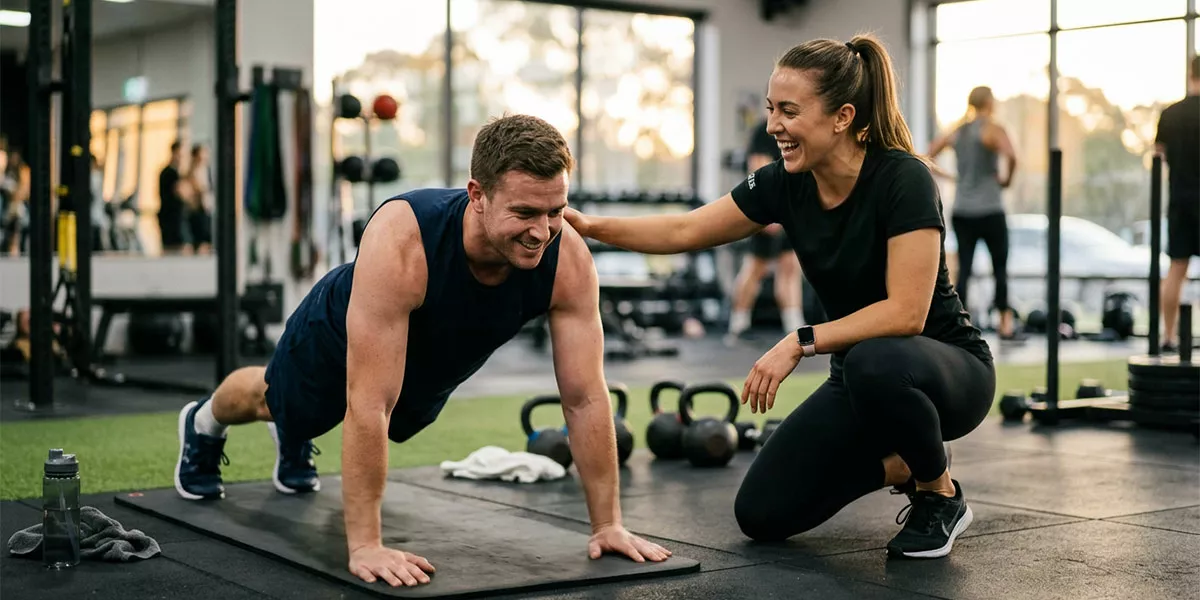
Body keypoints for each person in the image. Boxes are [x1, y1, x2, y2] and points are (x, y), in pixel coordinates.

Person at [172, 114, 671, 587]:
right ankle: (203, 422)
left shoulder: (567, 261)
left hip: (433, 358)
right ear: (477, 195)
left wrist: (608, 524)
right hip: (340, 329)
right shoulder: (404, 237)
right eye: (523, 212)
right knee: (274, 402)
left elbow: (584, 398)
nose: (542, 232)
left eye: (555, 211)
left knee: (382, 421)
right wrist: (366, 545)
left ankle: (299, 431)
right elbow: (369, 404)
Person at [566, 35, 995, 559]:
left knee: (873, 361)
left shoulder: (903, 178)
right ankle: (900, 464)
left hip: (948, 373)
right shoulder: (783, 183)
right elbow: (684, 230)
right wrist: (589, 227)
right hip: (861, 377)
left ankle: (938, 492)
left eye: (789, 111)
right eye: (772, 110)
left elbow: (906, 313)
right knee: (762, 514)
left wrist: (800, 341)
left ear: (841, 117)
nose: (773, 126)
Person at [928, 86, 1021, 340]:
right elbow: (1012, 155)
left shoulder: (958, 131)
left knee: (965, 268)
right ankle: (1005, 323)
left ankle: (960, 324)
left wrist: (954, 178)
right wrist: (1006, 181)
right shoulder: (993, 129)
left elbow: (927, 155)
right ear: (990, 103)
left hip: (963, 211)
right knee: (999, 266)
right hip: (990, 209)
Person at [727, 117, 805, 342]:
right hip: (770, 211)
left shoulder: (797, 130)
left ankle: (793, 325)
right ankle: (738, 325)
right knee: (755, 268)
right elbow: (758, 168)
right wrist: (768, 211)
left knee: (790, 266)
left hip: (790, 210)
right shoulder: (764, 130)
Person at [1154, 55, 1199, 353]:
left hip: (1180, 199)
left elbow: (1159, 154)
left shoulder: (1169, 114)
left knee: (1176, 269)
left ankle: (1168, 337)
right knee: (1176, 270)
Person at [158, 141, 190, 254]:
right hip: (171, 221)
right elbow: (183, 193)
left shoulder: (175, 173)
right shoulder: (169, 173)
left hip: (175, 219)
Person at [183, 143, 213, 255]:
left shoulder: (207, 171)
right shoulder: (190, 172)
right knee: (198, 239)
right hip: (195, 210)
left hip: (206, 208)